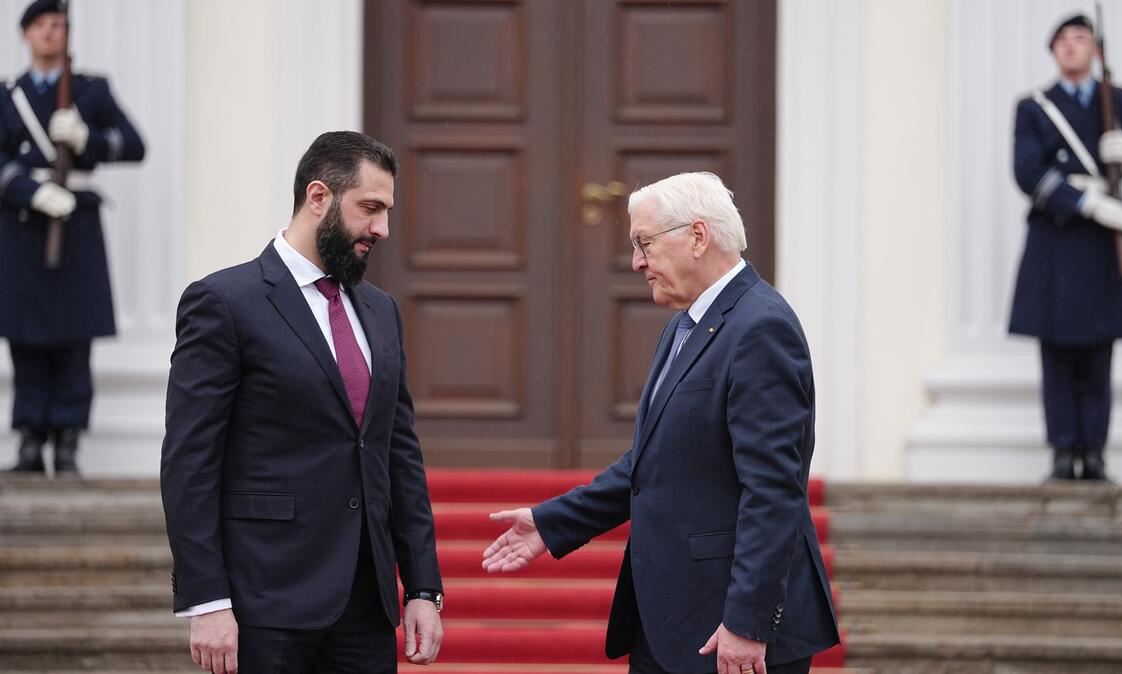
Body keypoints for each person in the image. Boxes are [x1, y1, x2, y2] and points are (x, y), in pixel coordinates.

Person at [483, 172, 840, 674]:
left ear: (697, 236)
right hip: (672, 623)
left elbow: (774, 491)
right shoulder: (686, 325)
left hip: (728, 632)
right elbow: (653, 463)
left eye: (644, 242)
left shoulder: (761, 327)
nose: (636, 262)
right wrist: (553, 522)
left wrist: (747, 622)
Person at [160, 131, 444, 674]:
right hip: (263, 604)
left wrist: (423, 588)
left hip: (367, 605)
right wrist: (208, 601)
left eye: (386, 211)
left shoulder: (381, 311)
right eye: (370, 208)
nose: (382, 228)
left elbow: (398, 455)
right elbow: (189, 462)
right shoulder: (222, 302)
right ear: (319, 197)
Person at [1, 0, 145, 474]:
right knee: (26, 339)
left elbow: (134, 144)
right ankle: (28, 438)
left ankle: (67, 439)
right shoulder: (8, 94)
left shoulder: (90, 89)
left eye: (59, 24)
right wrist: (28, 192)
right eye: (41, 24)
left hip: (76, 228)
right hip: (26, 228)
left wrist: (89, 141)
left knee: (74, 337)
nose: (50, 32)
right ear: (25, 34)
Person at [1009, 13, 1122, 482]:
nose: (1070, 46)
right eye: (1061, 40)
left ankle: (1096, 453)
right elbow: (1027, 171)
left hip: (1103, 246)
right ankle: (1064, 453)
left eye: (1080, 38)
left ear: (1095, 51)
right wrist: (1084, 202)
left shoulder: (1121, 101)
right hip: (1056, 240)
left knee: (1099, 352)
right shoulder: (1035, 106)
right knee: (1058, 352)